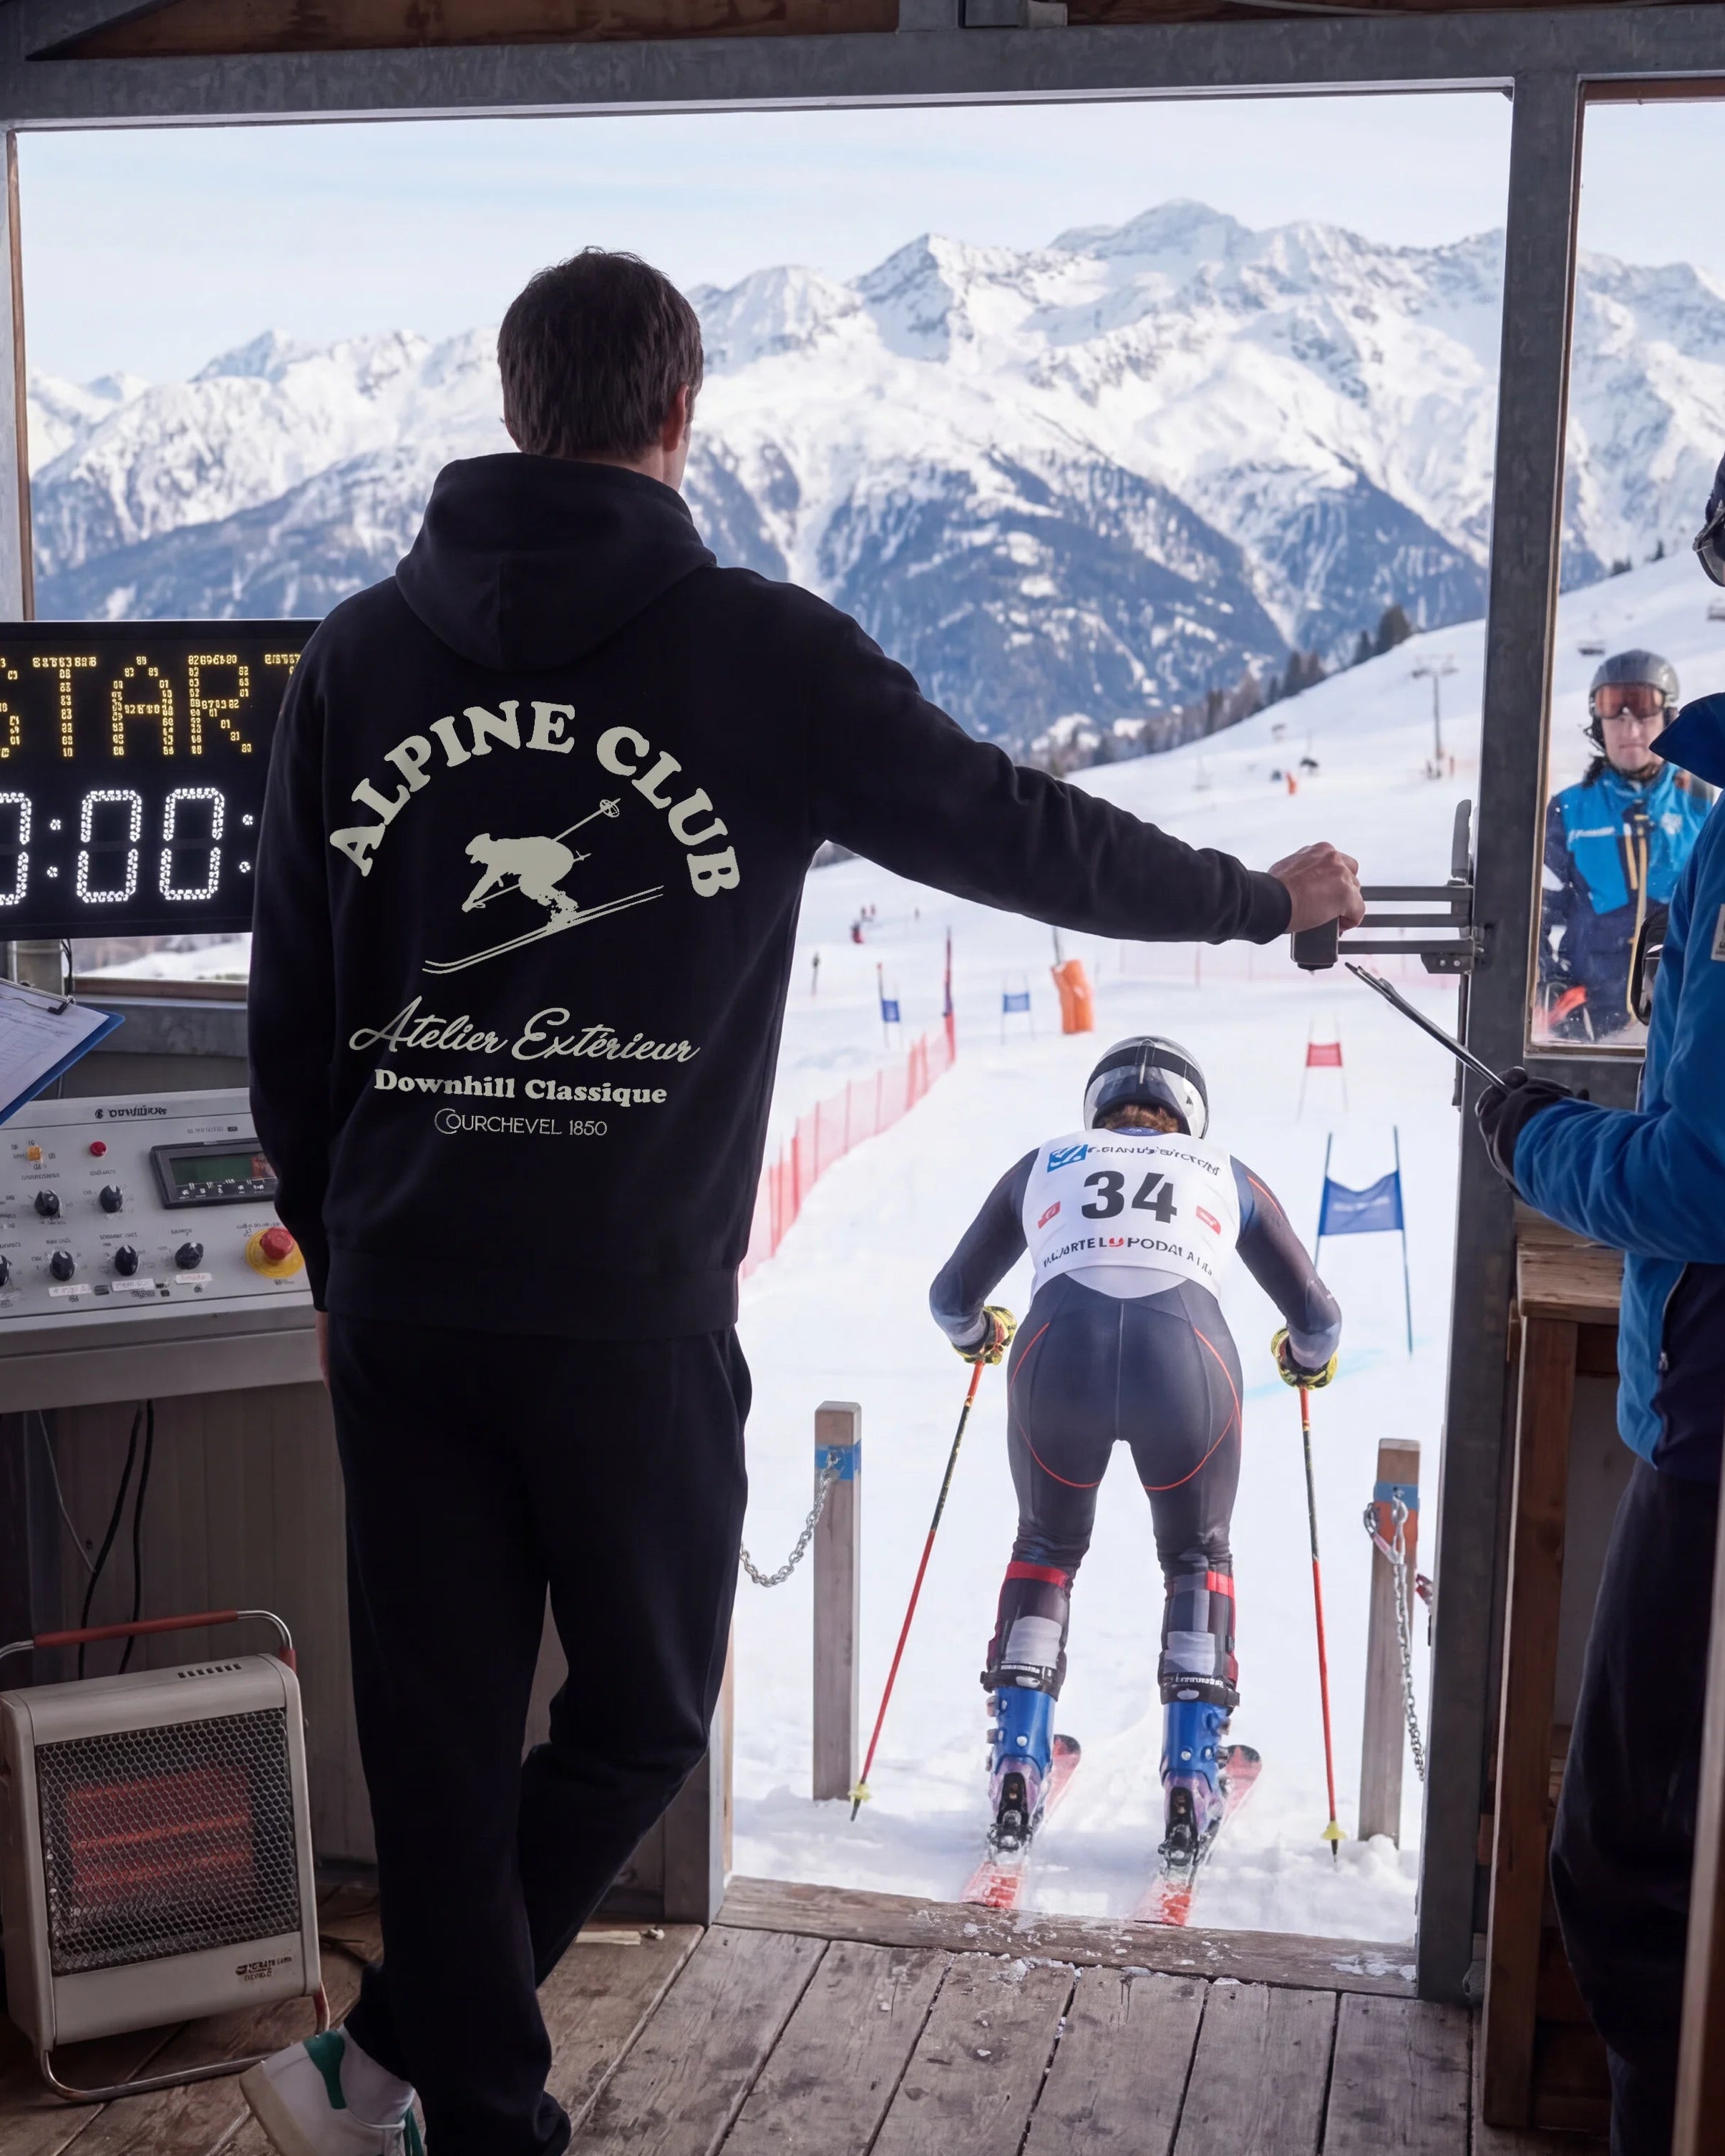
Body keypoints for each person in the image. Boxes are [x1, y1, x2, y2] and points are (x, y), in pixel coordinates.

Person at [241, 249, 1365, 2156]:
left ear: (516, 406)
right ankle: (460, 2099)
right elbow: (1018, 832)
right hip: (626, 1306)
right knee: (644, 1712)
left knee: (437, 1751)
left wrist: (339, 1252)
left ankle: (410, 2053)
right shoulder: (758, 652)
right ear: (681, 415)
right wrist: (1257, 901)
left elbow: (292, 1001)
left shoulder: (358, 657)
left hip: (409, 1297)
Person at [1474, 462, 1725, 2156]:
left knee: (1628, 1870)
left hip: (1711, 1427)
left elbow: (1700, 1178)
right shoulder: (1646, 810)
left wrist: (1533, 1137)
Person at [928, 1035, 1341, 1874]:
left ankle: (1018, 1758)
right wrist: (1304, 1359)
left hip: (1055, 1358)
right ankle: (1192, 1772)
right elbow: (1318, 1317)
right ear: (1191, 1115)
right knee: (1197, 1558)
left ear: (1098, 1107)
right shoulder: (1222, 1169)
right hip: (1188, 1363)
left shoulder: (1046, 1161)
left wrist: (977, 1336)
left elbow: (950, 1297)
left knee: (1045, 1547)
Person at [1537, 649, 1710, 1042]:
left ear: (1668, 719)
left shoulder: (1704, 803)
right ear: (1598, 725)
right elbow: (1535, 913)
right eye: (1614, 710)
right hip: (1591, 1028)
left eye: (1644, 709)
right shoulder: (1571, 811)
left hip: (1684, 1024)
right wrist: (1550, 986)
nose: (1629, 728)